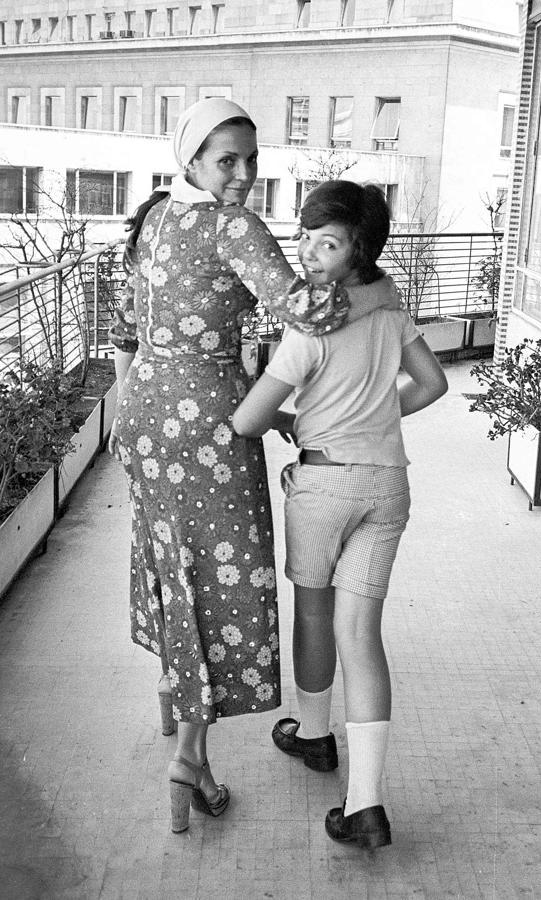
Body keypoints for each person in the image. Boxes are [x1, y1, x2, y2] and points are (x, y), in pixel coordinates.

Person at [107, 98, 401, 835]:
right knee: (218, 578)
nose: (242, 174)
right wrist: (384, 292)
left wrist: (128, 407)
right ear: (192, 160)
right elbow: (312, 309)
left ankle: (174, 695)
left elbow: (123, 327)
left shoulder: (152, 217)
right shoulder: (231, 226)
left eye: (251, 158)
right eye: (226, 160)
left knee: (171, 562)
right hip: (209, 424)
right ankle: (190, 756)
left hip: (142, 415)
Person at [232, 180, 448, 851]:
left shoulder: (309, 327)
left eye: (327, 243)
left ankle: (315, 735)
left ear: (359, 250)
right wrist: (375, 418)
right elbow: (433, 383)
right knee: (362, 635)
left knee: (315, 616)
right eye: (305, 237)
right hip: (387, 485)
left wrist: (292, 422)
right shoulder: (390, 313)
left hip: (324, 486)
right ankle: (366, 805)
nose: (308, 252)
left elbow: (247, 420)